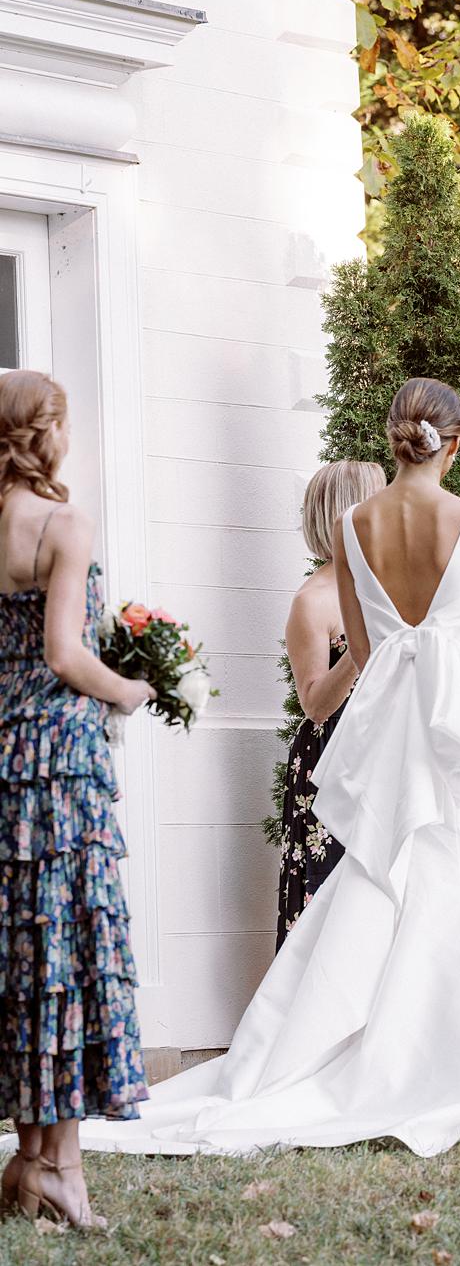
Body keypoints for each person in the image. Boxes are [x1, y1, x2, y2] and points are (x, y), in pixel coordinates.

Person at [77, 377, 460, 1158]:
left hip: (385, 715)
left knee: (381, 868)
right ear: (451, 443)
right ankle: (453, 1054)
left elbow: (362, 644)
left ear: (395, 438)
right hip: (458, 718)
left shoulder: (354, 524)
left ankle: (344, 1050)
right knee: (457, 863)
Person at [0, 370, 153, 1228]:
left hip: (1, 762)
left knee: (22, 963)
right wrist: (125, 690)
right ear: (47, 431)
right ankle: (61, 1173)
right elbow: (65, 652)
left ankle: (31, 1161)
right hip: (58, 765)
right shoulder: (63, 521)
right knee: (63, 954)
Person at [276, 459, 386, 950]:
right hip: (332, 767)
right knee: (329, 914)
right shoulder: (312, 601)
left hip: (389, 756)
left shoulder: (393, 586)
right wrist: (360, 649)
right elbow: (315, 704)